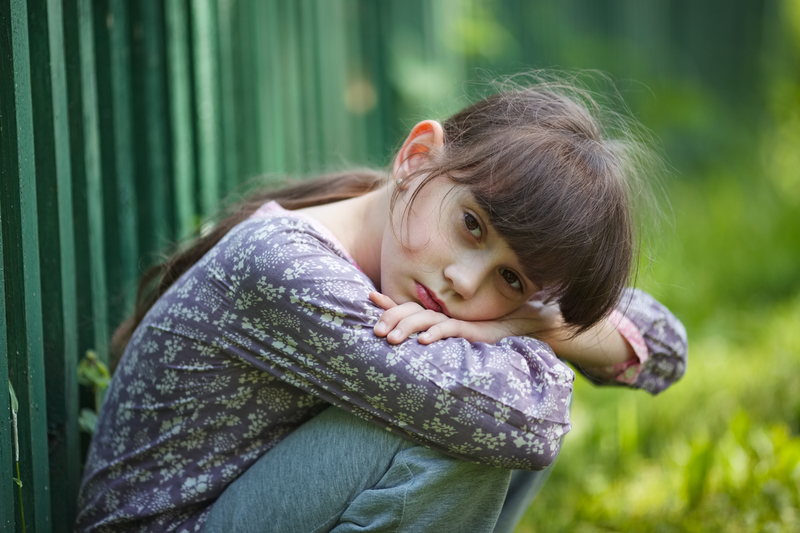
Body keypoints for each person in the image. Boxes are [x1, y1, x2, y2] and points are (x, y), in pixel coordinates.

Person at [75, 81, 688, 532]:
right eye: (472, 225)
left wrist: (530, 323)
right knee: (478, 420)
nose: (464, 283)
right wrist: (518, 332)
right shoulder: (290, 268)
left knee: (493, 384)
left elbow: (666, 347)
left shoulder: (402, 224)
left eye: (510, 277)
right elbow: (533, 421)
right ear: (418, 155)